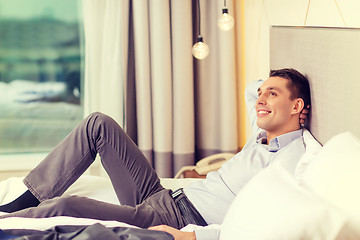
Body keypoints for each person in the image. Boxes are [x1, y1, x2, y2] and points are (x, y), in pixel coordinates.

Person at [0, 68, 311, 240]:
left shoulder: (291, 162)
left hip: (176, 218)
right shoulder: (260, 135)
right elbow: (251, 89)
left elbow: (261, 227)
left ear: (297, 107)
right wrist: (272, 87)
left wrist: (192, 237)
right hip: (166, 196)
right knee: (98, 124)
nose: (259, 100)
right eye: (262, 94)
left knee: (67, 205)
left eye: (272, 94)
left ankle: (7, 223)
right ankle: (27, 198)